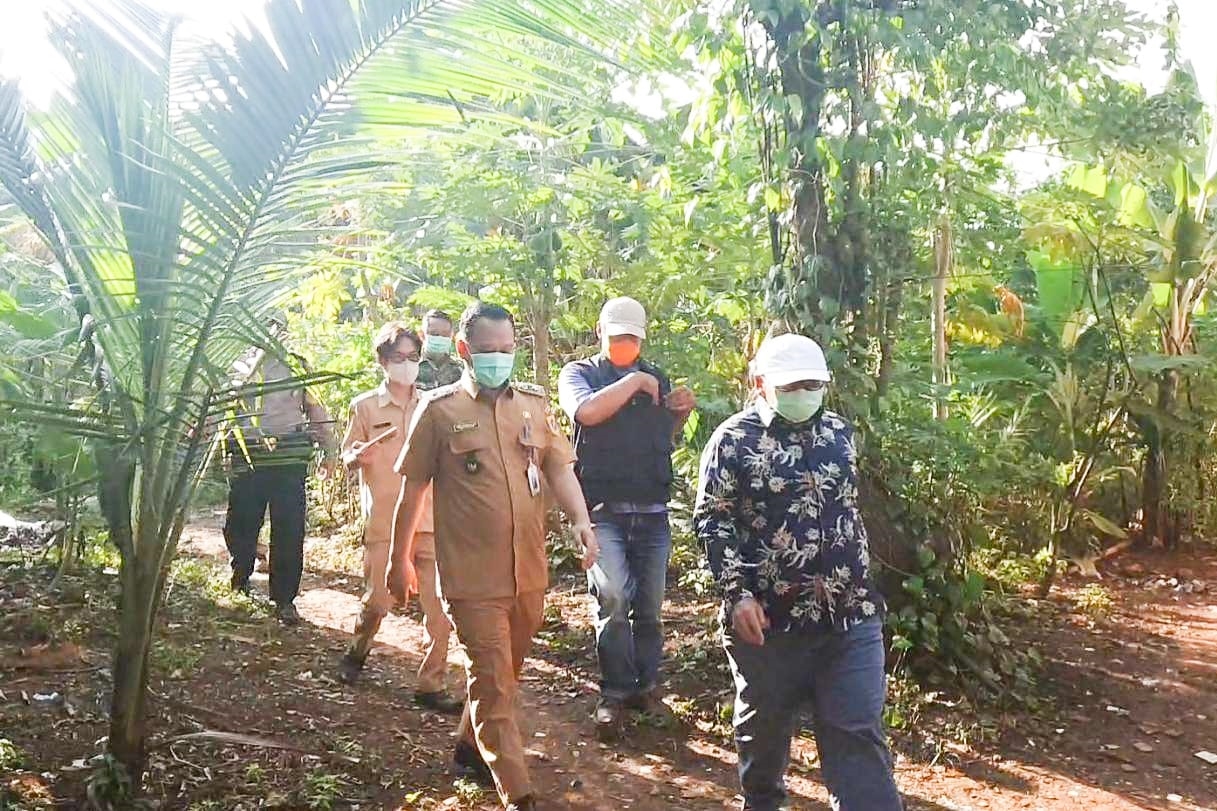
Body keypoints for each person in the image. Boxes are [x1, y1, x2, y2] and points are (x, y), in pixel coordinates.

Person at [387, 301, 598, 811]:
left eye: (506, 350)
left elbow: (558, 468)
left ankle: (468, 745)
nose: (499, 359)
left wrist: (583, 523)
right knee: (493, 683)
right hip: (469, 578)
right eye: (488, 351)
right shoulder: (438, 412)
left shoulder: (532, 405)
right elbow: (412, 492)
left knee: (504, 674)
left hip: (527, 572)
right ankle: (518, 793)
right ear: (464, 351)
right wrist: (399, 560)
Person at [693, 333, 902, 811]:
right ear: (760, 383)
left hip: (850, 616)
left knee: (857, 736)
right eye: (792, 385)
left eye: (812, 383)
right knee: (764, 736)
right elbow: (713, 519)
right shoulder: (734, 440)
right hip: (770, 625)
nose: (803, 393)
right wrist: (737, 594)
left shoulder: (840, 435)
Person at [556, 296, 695, 740]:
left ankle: (644, 688)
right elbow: (586, 412)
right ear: (601, 333)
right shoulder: (579, 374)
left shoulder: (655, 377)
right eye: (617, 337)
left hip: (651, 510)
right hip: (602, 510)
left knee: (651, 608)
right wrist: (634, 382)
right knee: (613, 598)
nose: (624, 344)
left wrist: (678, 415)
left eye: (632, 338)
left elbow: (661, 440)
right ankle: (614, 692)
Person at [335, 322, 461, 713]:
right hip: (385, 525)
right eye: (396, 358)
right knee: (378, 602)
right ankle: (356, 653)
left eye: (411, 357)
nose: (405, 365)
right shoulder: (365, 407)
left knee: (440, 613)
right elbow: (347, 455)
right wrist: (356, 457)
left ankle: (430, 684)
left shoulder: (434, 405)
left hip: (431, 522)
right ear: (382, 362)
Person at [224, 317, 337, 625]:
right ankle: (240, 575)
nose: (273, 333)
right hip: (248, 456)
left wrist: (329, 449)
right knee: (241, 521)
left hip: (289, 456)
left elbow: (316, 409)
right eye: (267, 326)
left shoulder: (298, 366)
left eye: (278, 327)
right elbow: (222, 410)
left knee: (289, 528)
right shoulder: (239, 367)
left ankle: (284, 598)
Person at [417, 309, 463, 390]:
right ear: (422, 335)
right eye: (434, 334)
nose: (440, 338)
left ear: (452, 336)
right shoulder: (412, 367)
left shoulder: (460, 369)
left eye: (445, 334)